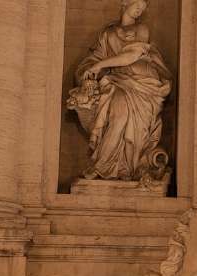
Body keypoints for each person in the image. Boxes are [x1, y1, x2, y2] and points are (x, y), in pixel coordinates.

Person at [74, 0, 172, 181]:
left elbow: (132, 55)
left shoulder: (142, 29)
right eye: (137, 5)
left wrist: (99, 66)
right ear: (125, 3)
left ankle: (127, 167)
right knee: (119, 113)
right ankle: (105, 165)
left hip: (145, 86)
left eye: (142, 8)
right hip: (118, 83)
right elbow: (94, 58)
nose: (139, 10)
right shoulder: (107, 34)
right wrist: (88, 71)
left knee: (133, 124)